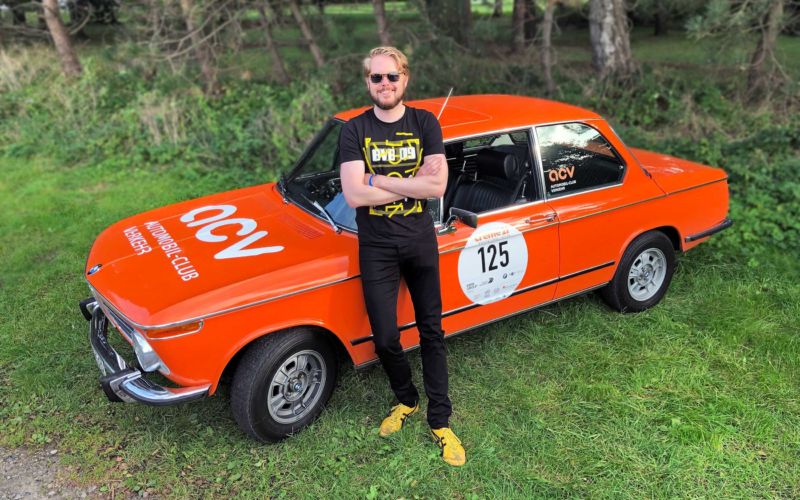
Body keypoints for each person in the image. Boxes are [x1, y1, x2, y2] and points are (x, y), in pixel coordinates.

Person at [338, 46, 465, 467]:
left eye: (392, 76)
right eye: (376, 77)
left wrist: (376, 178)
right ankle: (406, 399)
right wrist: (409, 181)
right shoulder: (355, 129)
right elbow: (354, 194)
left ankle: (440, 420)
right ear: (368, 82)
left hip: (419, 242)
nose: (385, 84)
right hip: (376, 247)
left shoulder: (425, 122)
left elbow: (436, 188)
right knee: (385, 338)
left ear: (404, 78)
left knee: (432, 332)